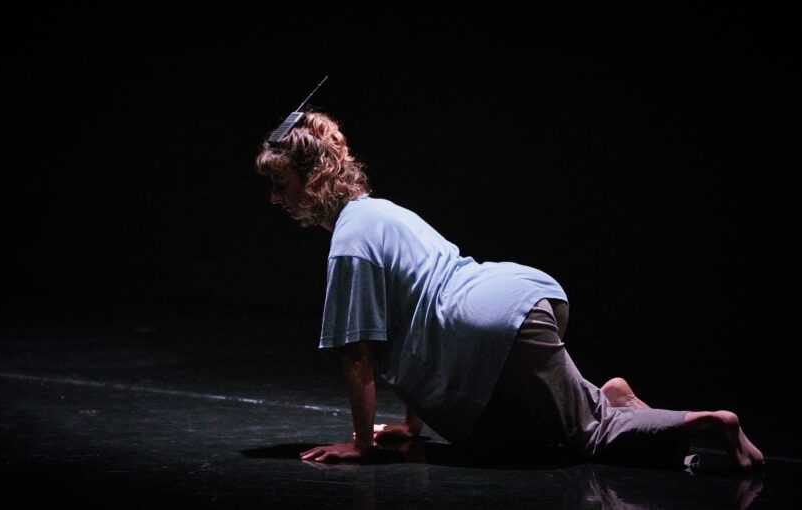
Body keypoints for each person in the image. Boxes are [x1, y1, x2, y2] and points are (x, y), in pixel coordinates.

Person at [255, 110, 765, 471]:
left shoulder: (348, 241)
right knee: (536, 439)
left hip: (493, 332)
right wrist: (412, 426)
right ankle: (609, 396)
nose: (276, 198)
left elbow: (359, 355)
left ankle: (710, 424)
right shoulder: (382, 211)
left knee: (586, 438)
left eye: (280, 183)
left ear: (315, 176)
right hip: (515, 299)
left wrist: (363, 446)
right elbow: (415, 324)